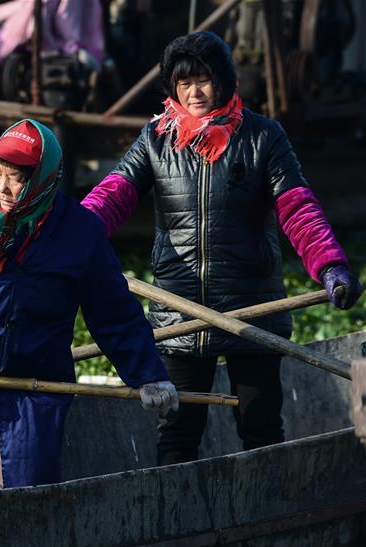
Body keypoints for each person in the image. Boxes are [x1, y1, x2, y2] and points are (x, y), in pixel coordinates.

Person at [80, 32, 363, 465]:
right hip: (178, 314)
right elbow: (112, 195)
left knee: (261, 427)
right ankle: (175, 527)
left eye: (204, 80)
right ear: (171, 87)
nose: (194, 92)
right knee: (177, 433)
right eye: (184, 82)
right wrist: (69, 237)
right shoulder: (156, 139)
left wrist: (330, 264)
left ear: (225, 82)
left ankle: (268, 520)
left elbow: (297, 208)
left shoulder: (264, 137)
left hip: (253, 312)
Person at [0, 118, 179, 494]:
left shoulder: (78, 231)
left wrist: (148, 374)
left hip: (33, 388)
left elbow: (113, 311)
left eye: (17, 178)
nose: (3, 188)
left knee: (24, 500)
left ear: (45, 178)